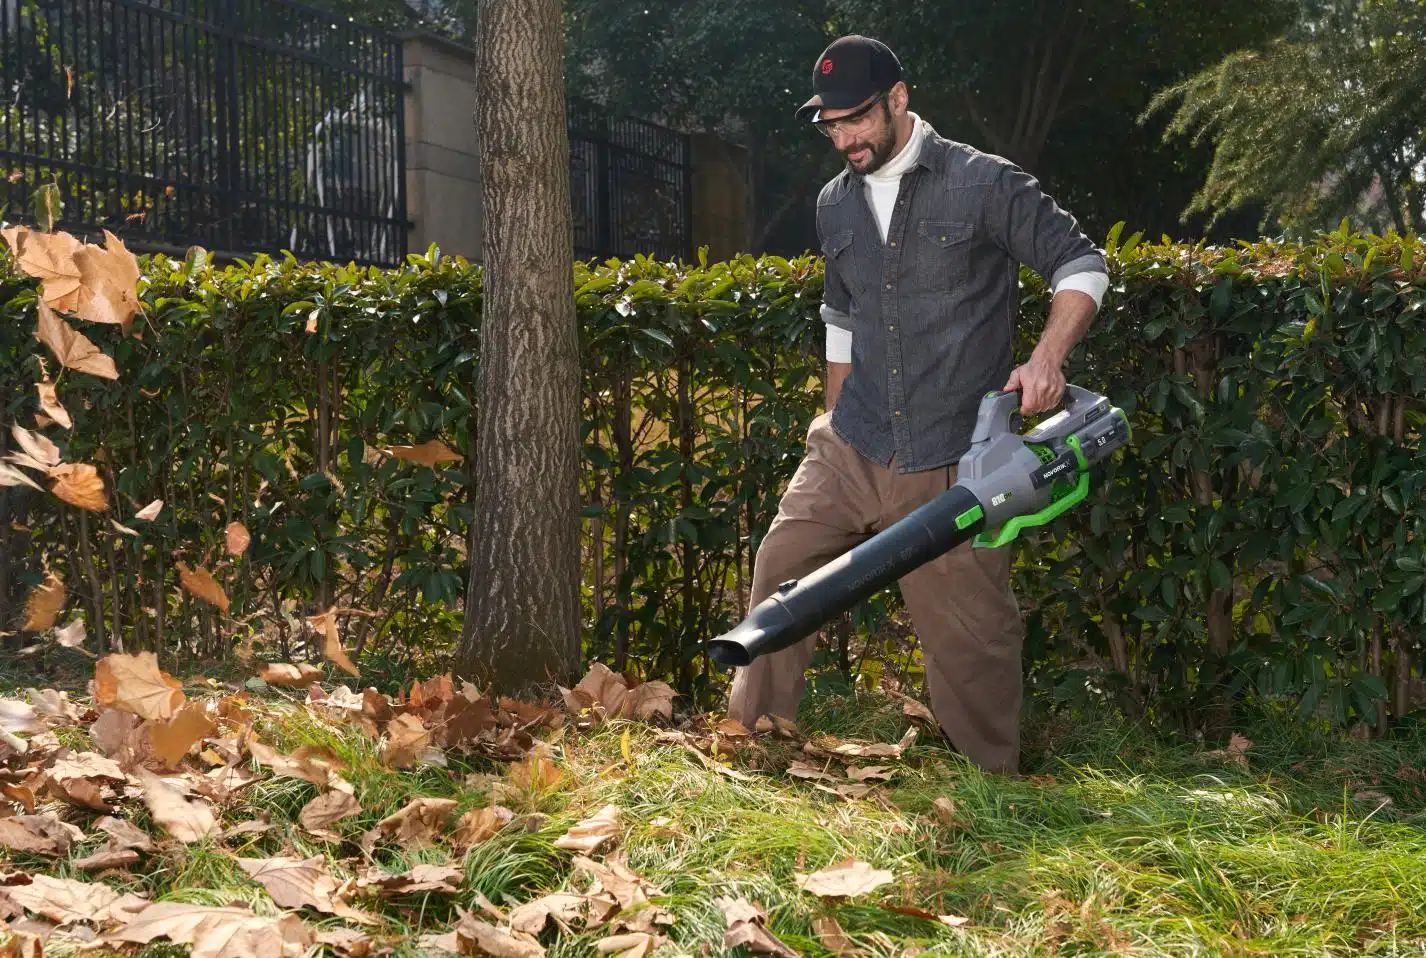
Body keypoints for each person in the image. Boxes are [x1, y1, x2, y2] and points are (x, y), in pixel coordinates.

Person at [724, 35, 1108, 774]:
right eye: (829, 125)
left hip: (952, 456)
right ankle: (752, 757)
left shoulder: (982, 183)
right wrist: (832, 423)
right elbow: (842, 316)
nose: (844, 138)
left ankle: (991, 792)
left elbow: (1081, 262)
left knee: (971, 637)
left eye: (856, 119)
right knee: (781, 570)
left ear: (898, 99)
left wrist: (1046, 356)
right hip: (854, 441)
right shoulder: (833, 204)